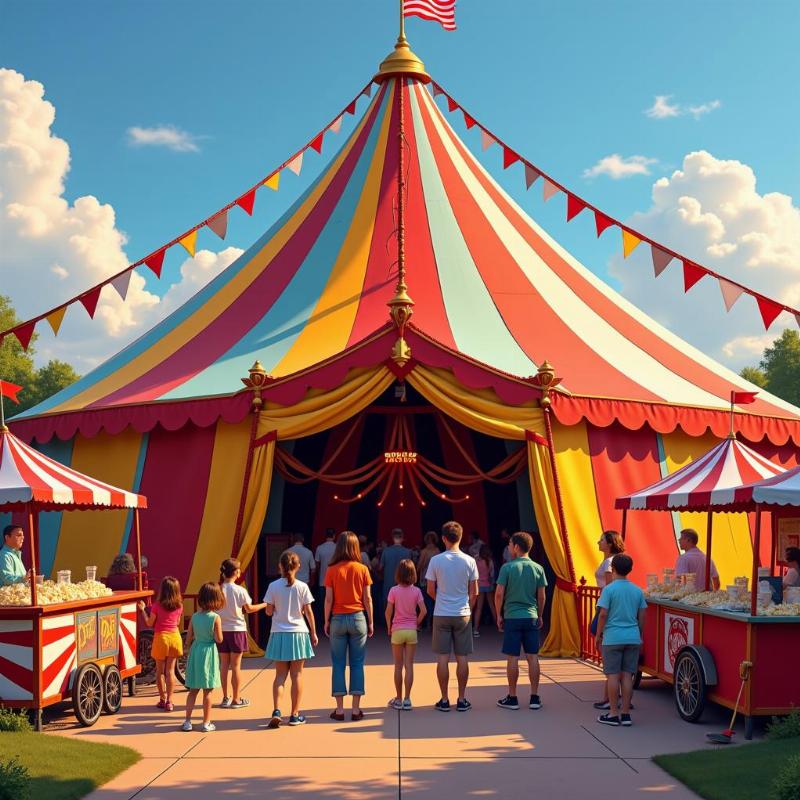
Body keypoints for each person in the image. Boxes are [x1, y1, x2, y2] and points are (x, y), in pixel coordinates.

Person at [425, 520, 479, 712]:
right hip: (462, 612)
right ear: (461, 537)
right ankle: (462, 699)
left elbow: (430, 589)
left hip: (441, 612)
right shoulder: (470, 560)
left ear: (443, 538)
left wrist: (441, 598)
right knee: (462, 657)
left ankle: (445, 698)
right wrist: (468, 607)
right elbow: (475, 591)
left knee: (442, 657)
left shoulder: (436, 560)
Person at [265, 550, 318, 728]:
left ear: (280, 566)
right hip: (298, 633)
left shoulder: (273, 586)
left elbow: (269, 611)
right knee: (297, 675)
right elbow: (309, 612)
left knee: (280, 676)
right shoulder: (302, 586)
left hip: (279, 633)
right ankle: (295, 714)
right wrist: (314, 632)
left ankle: (276, 710)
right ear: (298, 566)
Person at [495, 532, 547, 711]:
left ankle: (513, 696)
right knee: (533, 657)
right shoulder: (538, 568)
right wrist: (540, 615)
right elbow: (541, 596)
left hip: (512, 617)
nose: (509, 547)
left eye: (510, 544)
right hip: (531, 615)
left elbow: (499, 593)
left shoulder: (507, 568)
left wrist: (498, 614)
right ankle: (534, 696)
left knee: (513, 657)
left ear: (516, 547)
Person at [324, 531, 374, 721]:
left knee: (337, 663)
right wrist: (370, 620)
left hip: (338, 617)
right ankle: (355, 709)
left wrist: (326, 620)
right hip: (357, 617)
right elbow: (367, 598)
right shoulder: (362, 569)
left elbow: (328, 599)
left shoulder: (331, 570)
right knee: (357, 663)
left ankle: (339, 710)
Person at [595, 554, 647, 727]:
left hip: (612, 637)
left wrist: (598, 634)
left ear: (613, 569)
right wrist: (638, 635)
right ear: (630, 570)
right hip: (632, 636)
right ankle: (625, 713)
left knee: (612, 675)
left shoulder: (608, 590)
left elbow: (603, 614)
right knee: (627, 675)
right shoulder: (638, 590)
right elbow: (642, 616)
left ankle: (613, 713)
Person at [218, 558, 266, 709]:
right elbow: (249, 609)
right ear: (236, 572)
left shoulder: (217, 589)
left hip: (221, 630)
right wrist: (265, 604)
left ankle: (225, 697)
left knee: (224, 665)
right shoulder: (240, 590)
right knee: (236, 666)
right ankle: (236, 699)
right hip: (237, 630)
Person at [182, 582, 225, 732]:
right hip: (209, 652)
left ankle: (187, 721)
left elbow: (188, 639)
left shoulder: (194, 617)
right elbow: (219, 639)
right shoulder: (215, 618)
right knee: (208, 690)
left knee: (193, 690)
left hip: (196, 651)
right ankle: (206, 723)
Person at [385, 559, 426, 710]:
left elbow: (388, 612)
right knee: (409, 665)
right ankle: (408, 699)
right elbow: (424, 611)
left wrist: (389, 627)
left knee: (398, 666)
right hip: (411, 631)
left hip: (397, 629)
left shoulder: (393, 590)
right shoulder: (416, 591)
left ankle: (398, 699)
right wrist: (416, 623)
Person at [138, 576, 183, 712]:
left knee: (160, 672)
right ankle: (170, 701)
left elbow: (149, 623)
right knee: (170, 672)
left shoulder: (157, 606)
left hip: (161, 638)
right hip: (175, 637)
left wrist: (143, 610)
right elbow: (178, 623)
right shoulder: (179, 606)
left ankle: (162, 699)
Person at [592, 530, 626, 709]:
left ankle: (610, 696)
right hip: (608, 607)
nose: (598, 542)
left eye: (602, 540)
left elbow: (609, 589)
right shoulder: (612, 561)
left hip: (605, 607)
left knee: (607, 653)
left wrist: (603, 612)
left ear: (610, 543)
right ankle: (615, 695)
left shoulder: (608, 563)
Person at [379, 529, 412, 619]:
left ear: (393, 538)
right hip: (402, 582)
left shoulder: (386, 551)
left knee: (388, 603)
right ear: (402, 538)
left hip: (388, 582)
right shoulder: (407, 552)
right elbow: (410, 569)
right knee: (402, 603)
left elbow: (380, 567)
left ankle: (388, 623)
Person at [416, 532, 440, 627]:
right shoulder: (437, 550)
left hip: (424, 579)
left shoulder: (424, 551)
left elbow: (419, 566)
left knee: (423, 600)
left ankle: (424, 622)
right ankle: (432, 622)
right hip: (436, 579)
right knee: (433, 600)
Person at [473, 544, 497, 637]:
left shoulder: (476, 559)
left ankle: (475, 629)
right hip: (488, 585)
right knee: (492, 605)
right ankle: (498, 625)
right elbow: (492, 574)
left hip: (478, 585)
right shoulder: (490, 561)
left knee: (478, 608)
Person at [314, 528, 337, 619]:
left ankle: (323, 621)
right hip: (335, 581)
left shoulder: (320, 548)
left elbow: (317, 564)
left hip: (322, 580)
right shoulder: (337, 547)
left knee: (323, 603)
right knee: (334, 602)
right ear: (334, 536)